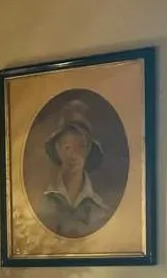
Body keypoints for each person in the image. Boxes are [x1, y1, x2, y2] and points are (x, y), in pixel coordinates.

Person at [32, 99, 111, 238]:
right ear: (58, 149)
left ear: (88, 150)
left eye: (80, 147)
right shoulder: (43, 205)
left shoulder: (100, 211)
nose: (73, 155)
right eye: (67, 147)